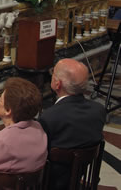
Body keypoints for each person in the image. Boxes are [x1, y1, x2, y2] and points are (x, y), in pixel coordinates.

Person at [38, 59, 105, 190]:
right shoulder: (99, 111)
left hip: (51, 184)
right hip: (80, 178)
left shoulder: (49, 118)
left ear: (57, 84)